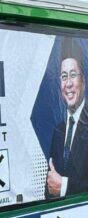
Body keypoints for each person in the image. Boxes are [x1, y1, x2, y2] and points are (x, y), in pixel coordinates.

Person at [46, 39, 88, 198]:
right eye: (64, 77)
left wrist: (64, 187)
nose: (68, 84)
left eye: (73, 75)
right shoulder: (59, 131)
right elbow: (50, 185)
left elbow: (58, 185)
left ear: (83, 81)